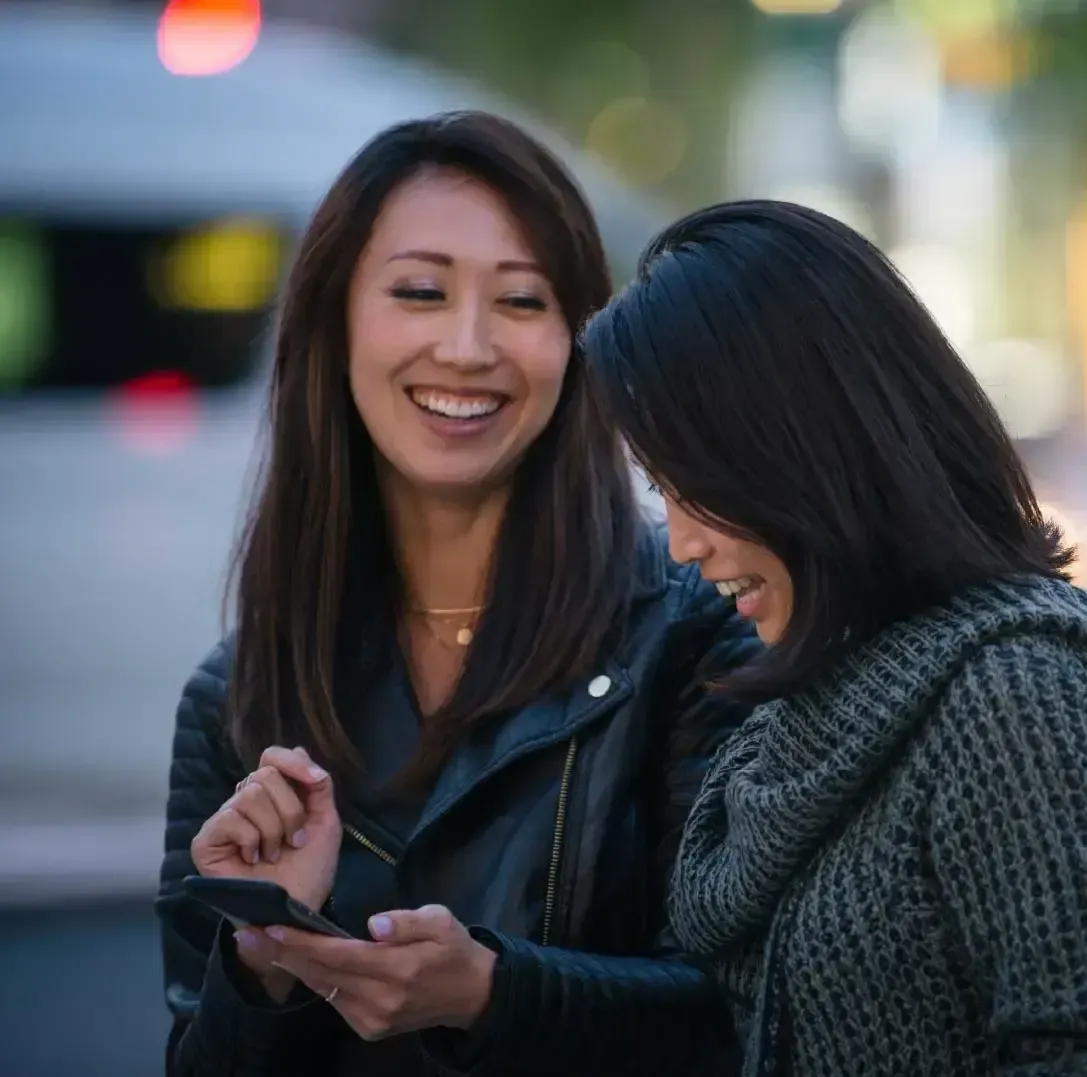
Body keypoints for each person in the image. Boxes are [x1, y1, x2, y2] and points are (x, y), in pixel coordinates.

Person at [154, 112, 758, 1077]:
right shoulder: (238, 695)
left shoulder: (693, 635)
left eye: (521, 302)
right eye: (421, 292)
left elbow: (755, 1019)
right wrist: (261, 962)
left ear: (579, 341)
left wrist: (493, 992)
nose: (469, 348)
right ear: (337, 318)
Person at [582, 199, 1087, 1076]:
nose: (685, 543)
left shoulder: (1016, 694)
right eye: (660, 488)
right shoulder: (815, 698)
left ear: (804, 447)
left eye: (696, 482)